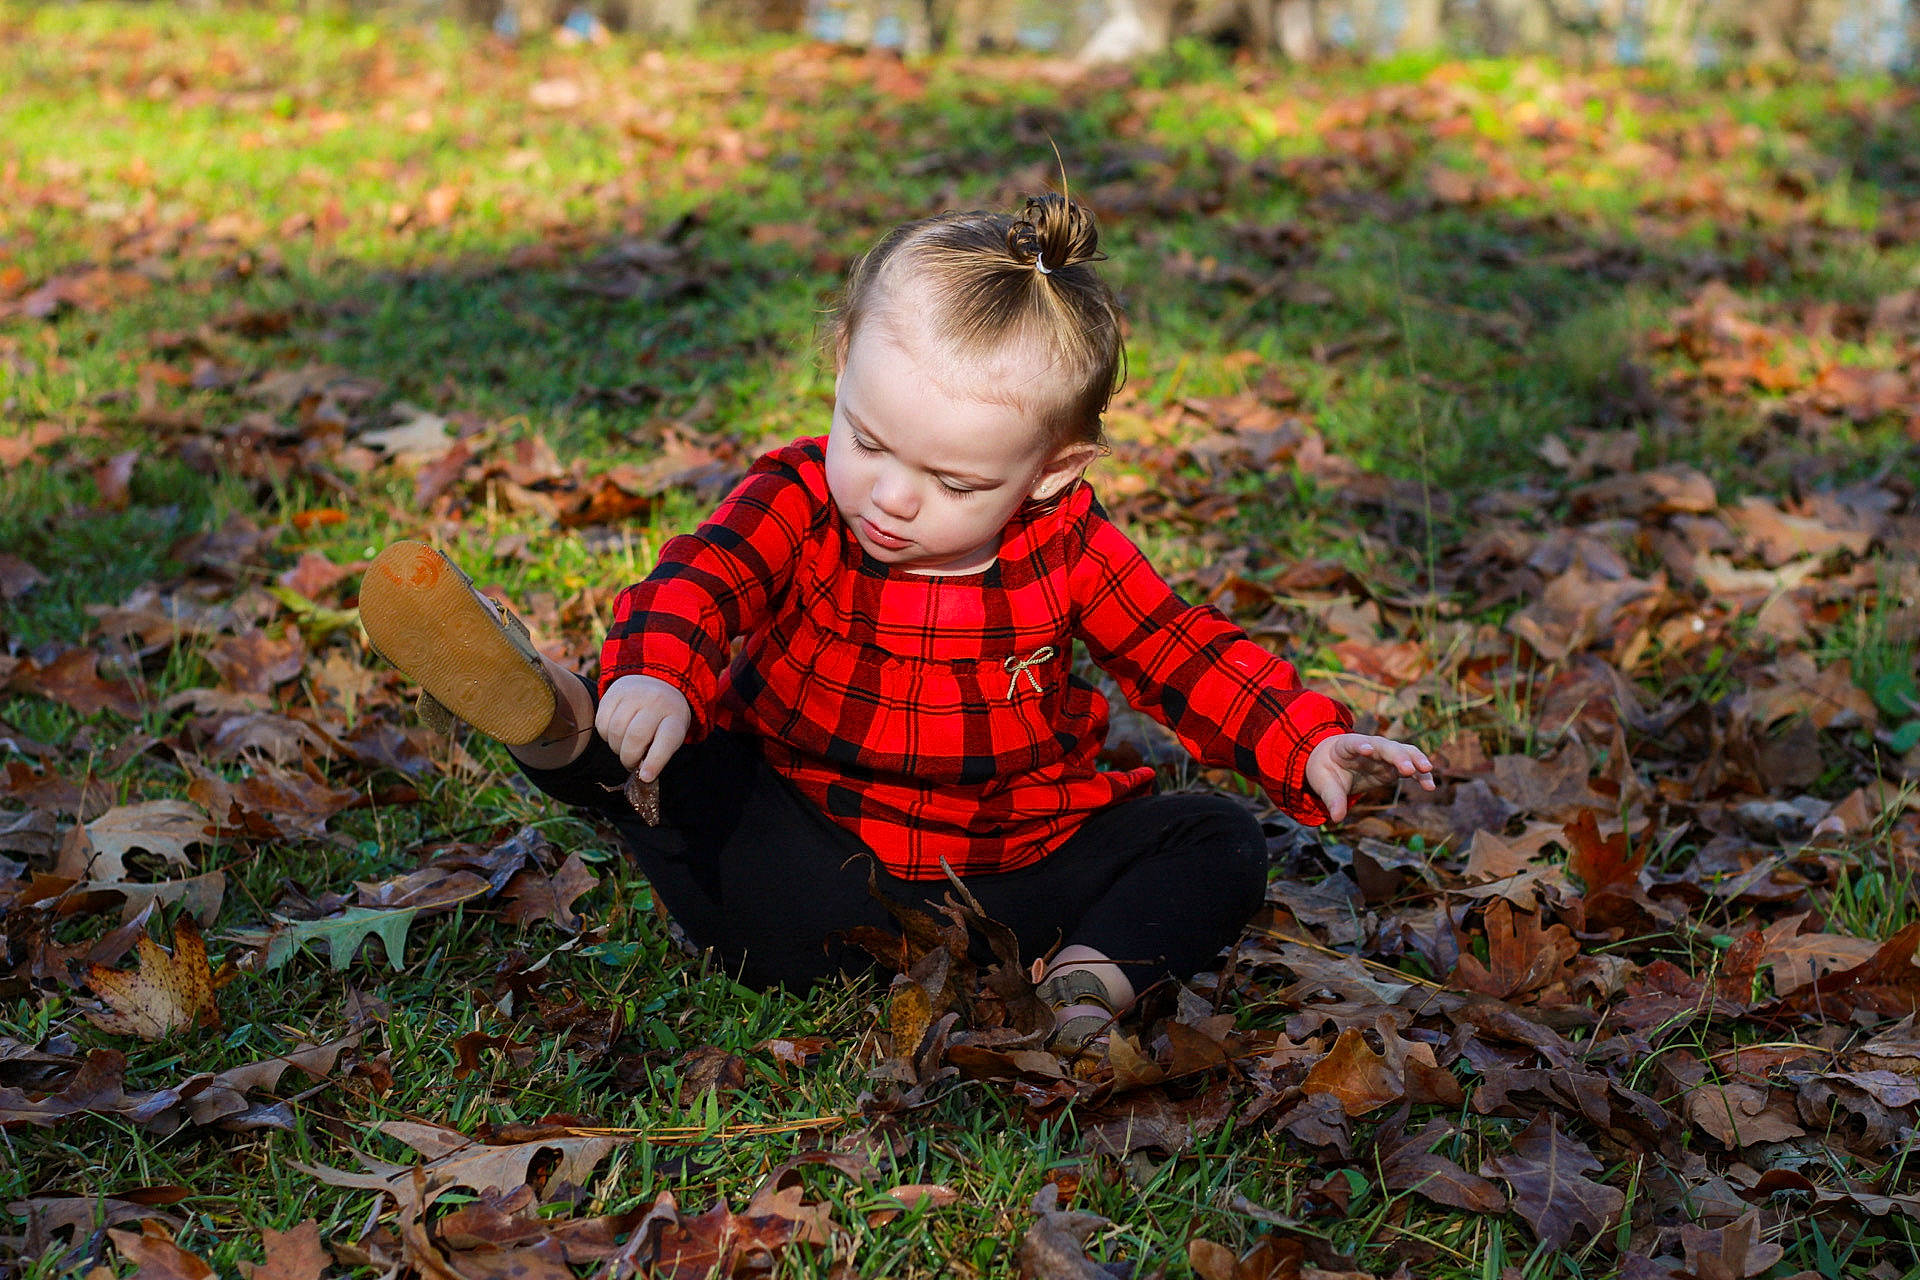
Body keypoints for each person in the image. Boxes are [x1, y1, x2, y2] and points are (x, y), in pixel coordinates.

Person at [358, 193, 1434, 1054]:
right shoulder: (799, 499)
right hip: (812, 859)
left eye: (952, 478)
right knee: (671, 758)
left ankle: (1088, 979)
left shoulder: (1069, 545)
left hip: (1016, 870)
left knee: (1220, 838)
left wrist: (1304, 732)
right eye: (866, 439)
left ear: (1052, 474)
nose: (891, 497)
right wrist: (663, 670)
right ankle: (561, 717)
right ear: (838, 369)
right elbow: (704, 578)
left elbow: (1172, 643)